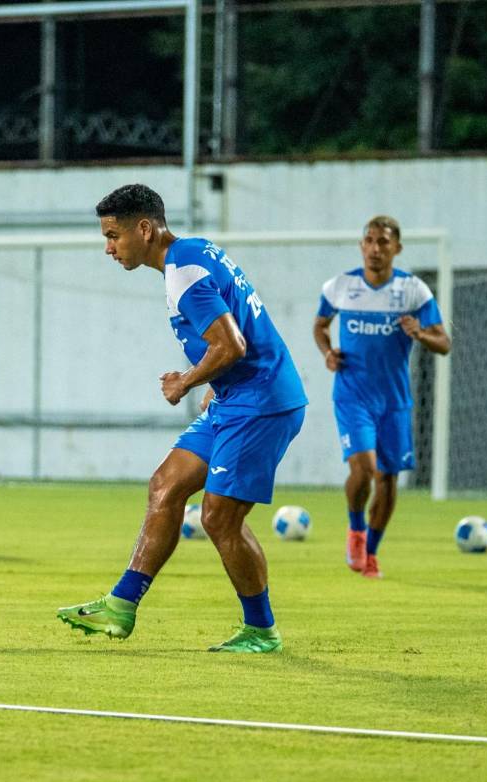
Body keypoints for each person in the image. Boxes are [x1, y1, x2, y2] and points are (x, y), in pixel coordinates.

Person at [57, 184, 308, 653]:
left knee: (219, 519)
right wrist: (214, 380)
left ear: (145, 229)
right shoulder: (193, 252)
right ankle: (121, 606)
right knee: (166, 485)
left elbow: (232, 344)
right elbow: (235, 330)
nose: (108, 248)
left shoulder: (182, 274)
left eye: (114, 236)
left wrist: (186, 382)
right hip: (237, 395)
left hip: (261, 403)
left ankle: (261, 630)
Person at [313, 215, 451, 580]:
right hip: (352, 394)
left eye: (383, 242)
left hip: (394, 401)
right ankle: (356, 529)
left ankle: (371, 553)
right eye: (369, 241)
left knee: (388, 479)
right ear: (362, 246)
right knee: (363, 469)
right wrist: (327, 352)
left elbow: (444, 342)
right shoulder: (340, 287)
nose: (375, 248)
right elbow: (320, 325)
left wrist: (419, 334)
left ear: (397, 248)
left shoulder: (413, 291)